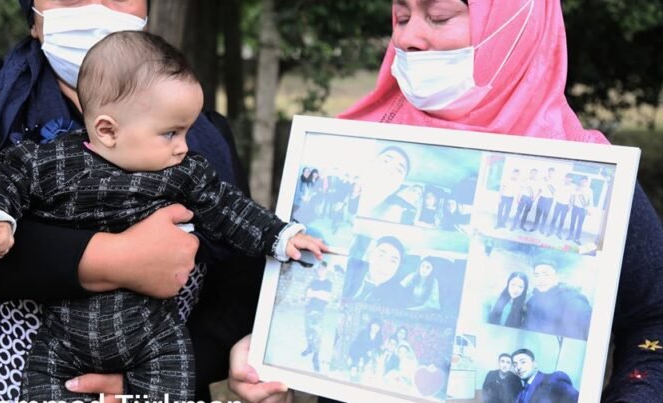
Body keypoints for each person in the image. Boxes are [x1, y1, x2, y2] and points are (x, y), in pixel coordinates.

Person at [229, 0, 663, 401]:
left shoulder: (592, 179)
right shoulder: (349, 154)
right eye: (401, 16)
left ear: (513, 24)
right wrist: (265, 348)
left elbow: (654, 321)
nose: (407, 38)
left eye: (438, 16)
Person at [0, 1, 260, 401]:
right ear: (32, 16)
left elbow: (240, 281)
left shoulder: (195, 131)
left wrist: (167, 371)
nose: (95, 3)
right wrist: (116, 259)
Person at [0, 30, 326, 400]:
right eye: (171, 133)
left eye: (187, 131)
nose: (184, 147)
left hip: (154, 334)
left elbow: (228, 206)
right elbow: (4, 174)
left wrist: (279, 235)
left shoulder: (184, 173)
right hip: (64, 334)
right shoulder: (56, 161)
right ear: (107, 130)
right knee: (42, 383)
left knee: (175, 375)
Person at [523, 260, 591, 340]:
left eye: (546, 275)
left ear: (556, 277)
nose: (540, 279)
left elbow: (585, 320)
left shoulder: (570, 299)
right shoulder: (532, 300)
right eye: (537, 275)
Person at [341, 235, 406, 308]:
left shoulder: (398, 297)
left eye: (393, 261)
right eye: (381, 255)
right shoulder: (350, 268)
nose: (385, 265)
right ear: (371, 256)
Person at [511, 349, 578, 403]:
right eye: (515, 365)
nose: (518, 367)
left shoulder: (553, 380)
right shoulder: (520, 393)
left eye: (523, 362)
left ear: (535, 364)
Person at [301, 260, 333, 372]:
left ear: (326, 271)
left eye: (323, 269)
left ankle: (315, 357)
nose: (320, 271)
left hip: (319, 312)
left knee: (317, 335)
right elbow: (307, 294)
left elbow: (326, 297)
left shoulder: (328, 283)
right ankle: (309, 348)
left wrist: (314, 293)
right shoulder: (313, 281)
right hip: (309, 309)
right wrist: (317, 294)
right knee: (308, 331)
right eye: (319, 269)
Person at [547, 174, 574, 239]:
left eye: (569, 178)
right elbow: (555, 190)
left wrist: (570, 206)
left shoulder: (572, 187)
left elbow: (572, 197)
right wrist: (562, 180)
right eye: (567, 178)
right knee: (554, 218)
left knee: (562, 220)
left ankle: (559, 233)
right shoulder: (560, 185)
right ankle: (550, 231)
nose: (568, 179)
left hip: (565, 206)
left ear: (571, 179)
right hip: (558, 204)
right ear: (565, 178)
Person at [568, 176, 593, 245]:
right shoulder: (576, 189)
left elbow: (590, 201)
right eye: (582, 181)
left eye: (584, 181)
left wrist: (589, 210)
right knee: (572, 222)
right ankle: (570, 235)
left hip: (583, 209)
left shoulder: (589, 190)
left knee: (580, 224)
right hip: (575, 207)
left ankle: (577, 238)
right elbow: (572, 197)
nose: (583, 182)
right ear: (580, 181)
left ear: (587, 182)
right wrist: (570, 205)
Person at [532, 168, 557, 234]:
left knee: (545, 215)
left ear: (554, 173)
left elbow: (554, 191)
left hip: (549, 200)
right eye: (550, 172)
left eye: (552, 172)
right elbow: (540, 189)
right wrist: (535, 197)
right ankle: (534, 227)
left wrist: (548, 182)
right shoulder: (543, 179)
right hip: (542, 198)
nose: (551, 174)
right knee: (538, 214)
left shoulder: (555, 181)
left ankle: (541, 228)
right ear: (548, 172)